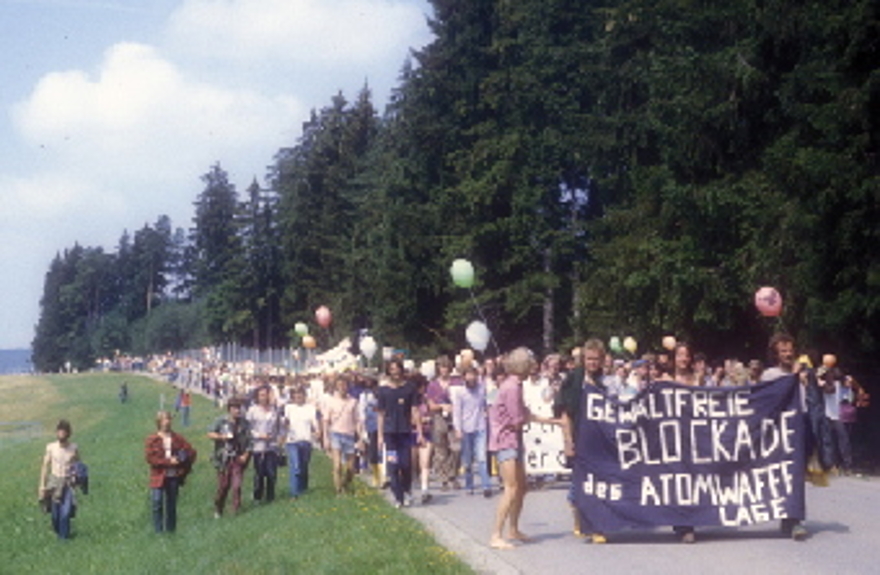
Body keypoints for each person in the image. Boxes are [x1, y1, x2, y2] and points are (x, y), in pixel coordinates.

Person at [760, 333, 814, 541]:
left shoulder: (800, 374)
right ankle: (787, 515)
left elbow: (807, 401)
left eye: (790, 350)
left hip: (799, 428)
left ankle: (794, 519)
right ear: (775, 353)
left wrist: (802, 381)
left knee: (796, 475)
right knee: (782, 476)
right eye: (783, 351)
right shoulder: (770, 375)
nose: (788, 354)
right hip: (778, 433)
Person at [555, 338, 608, 544]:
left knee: (598, 484)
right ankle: (585, 520)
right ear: (583, 359)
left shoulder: (605, 381)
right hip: (579, 437)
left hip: (600, 442)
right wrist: (568, 441)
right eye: (589, 359)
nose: (593, 363)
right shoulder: (573, 380)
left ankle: (596, 524)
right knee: (581, 483)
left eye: (596, 359)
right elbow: (565, 414)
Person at [488, 347, 535, 550]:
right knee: (511, 487)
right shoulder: (512, 387)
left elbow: (522, 414)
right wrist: (529, 417)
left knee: (522, 486)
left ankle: (513, 528)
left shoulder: (515, 384)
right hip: (505, 441)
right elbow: (517, 419)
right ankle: (496, 534)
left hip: (514, 439)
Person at [377, 359, 423, 508]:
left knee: (405, 464)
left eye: (397, 369)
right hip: (390, 433)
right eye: (392, 369)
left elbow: (415, 410)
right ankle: (398, 496)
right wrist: (379, 435)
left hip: (405, 432)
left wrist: (420, 432)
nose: (395, 372)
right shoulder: (383, 391)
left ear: (401, 371)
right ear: (388, 372)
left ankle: (407, 489)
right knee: (393, 464)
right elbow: (381, 414)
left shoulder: (409, 388)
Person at [144, 411, 197, 533]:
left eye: (168, 419)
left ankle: (171, 531)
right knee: (157, 502)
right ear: (159, 422)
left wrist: (182, 460)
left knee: (171, 505)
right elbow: (150, 459)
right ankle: (158, 531)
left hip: (173, 476)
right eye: (164, 420)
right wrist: (168, 462)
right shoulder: (152, 439)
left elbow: (192, 452)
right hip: (158, 476)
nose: (167, 422)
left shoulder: (177, 438)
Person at [207, 397, 252, 517]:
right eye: (234, 408)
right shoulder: (221, 421)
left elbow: (250, 442)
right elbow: (209, 433)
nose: (237, 411)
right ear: (229, 409)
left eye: (239, 408)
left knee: (237, 486)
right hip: (223, 458)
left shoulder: (244, 423)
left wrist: (245, 455)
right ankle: (218, 508)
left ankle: (235, 511)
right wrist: (222, 437)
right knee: (223, 486)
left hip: (238, 458)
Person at [38, 419, 81, 539]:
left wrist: (76, 477)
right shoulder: (51, 447)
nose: (61, 434)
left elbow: (78, 465)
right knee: (55, 514)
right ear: (56, 433)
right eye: (59, 432)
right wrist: (42, 485)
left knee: (65, 513)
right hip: (54, 482)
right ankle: (58, 531)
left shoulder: (73, 448)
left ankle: (64, 539)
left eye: (64, 432)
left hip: (67, 483)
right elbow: (45, 466)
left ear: (68, 433)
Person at [453, 366, 492, 497]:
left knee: (482, 458)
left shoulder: (481, 388)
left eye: (472, 375)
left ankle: (486, 486)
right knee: (467, 460)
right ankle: (469, 485)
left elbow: (490, 399)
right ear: (464, 377)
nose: (470, 378)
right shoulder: (460, 392)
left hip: (480, 427)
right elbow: (457, 412)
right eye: (468, 375)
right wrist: (458, 429)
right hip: (466, 429)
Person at [427, 356, 462, 490]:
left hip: (454, 417)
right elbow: (430, 405)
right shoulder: (432, 385)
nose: (444, 370)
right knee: (440, 449)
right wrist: (442, 407)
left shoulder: (457, 382)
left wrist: (454, 407)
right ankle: (444, 478)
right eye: (441, 367)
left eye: (446, 367)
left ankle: (453, 473)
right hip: (439, 418)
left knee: (456, 448)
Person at [324, 377, 362, 495]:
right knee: (337, 465)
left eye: (344, 385)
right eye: (339, 385)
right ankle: (339, 491)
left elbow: (357, 420)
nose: (342, 387)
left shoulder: (353, 402)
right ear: (336, 387)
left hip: (349, 435)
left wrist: (360, 438)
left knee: (351, 468)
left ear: (348, 386)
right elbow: (326, 420)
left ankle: (345, 484)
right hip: (336, 434)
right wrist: (326, 437)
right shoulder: (331, 401)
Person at [247, 385, 281, 503]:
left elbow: (278, 427)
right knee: (260, 472)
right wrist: (259, 435)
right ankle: (257, 496)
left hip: (272, 446)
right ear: (257, 396)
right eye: (261, 395)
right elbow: (247, 429)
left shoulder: (274, 410)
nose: (264, 397)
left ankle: (270, 497)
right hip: (258, 446)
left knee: (272, 472)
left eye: (266, 395)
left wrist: (279, 439)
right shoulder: (253, 410)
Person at [283, 387, 318, 498]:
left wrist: (317, 431)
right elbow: (285, 421)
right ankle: (294, 492)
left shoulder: (310, 408)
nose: (298, 397)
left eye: (300, 395)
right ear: (293, 397)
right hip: (292, 441)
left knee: (304, 465)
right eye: (296, 395)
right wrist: (284, 427)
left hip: (306, 440)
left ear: (304, 396)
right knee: (296, 466)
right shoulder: (289, 408)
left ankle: (303, 487)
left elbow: (314, 422)